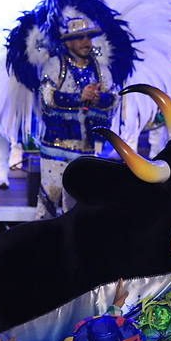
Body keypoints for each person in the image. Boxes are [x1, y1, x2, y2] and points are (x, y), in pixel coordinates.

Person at [37, 13, 118, 218]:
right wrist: (79, 97)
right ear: (68, 42)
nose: (86, 42)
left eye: (88, 37)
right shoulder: (55, 65)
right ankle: (41, 236)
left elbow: (114, 98)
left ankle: (74, 237)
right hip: (56, 145)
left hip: (86, 148)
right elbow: (46, 97)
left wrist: (99, 98)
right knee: (50, 197)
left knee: (79, 202)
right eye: (80, 37)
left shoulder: (100, 69)